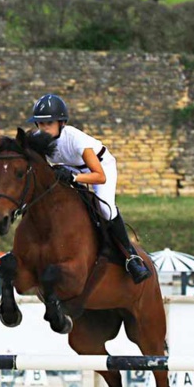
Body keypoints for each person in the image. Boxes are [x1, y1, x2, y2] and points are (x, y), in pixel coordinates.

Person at [27, 93, 150, 284]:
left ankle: (131, 257)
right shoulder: (37, 139)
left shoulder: (76, 139)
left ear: (61, 123)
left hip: (99, 168)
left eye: (48, 124)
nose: (43, 129)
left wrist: (75, 177)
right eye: (40, 124)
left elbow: (99, 176)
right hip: (69, 168)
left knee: (105, 209)